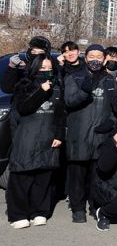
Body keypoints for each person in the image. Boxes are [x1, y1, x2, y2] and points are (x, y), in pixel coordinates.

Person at [63, 44, 117, 223]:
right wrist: (84, 91)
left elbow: (115, 106)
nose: (95, 59)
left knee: (97, 176)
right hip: (79, 134)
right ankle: (78, 209)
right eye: (92, 56)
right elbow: (69, 102)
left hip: (101, 135)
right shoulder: (74, 77)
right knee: (77, 175)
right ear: (85, 58)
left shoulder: (110, 80)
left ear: (104, 60)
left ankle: (95, 207)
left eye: (99, 57)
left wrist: (111, 121)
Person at [6, 55, 64, 229]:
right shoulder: (24, 86)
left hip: (48, 138)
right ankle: (18, 214)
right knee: (22, 177)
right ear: (34, 68)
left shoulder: (57, 87)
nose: (46, 71)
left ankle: (39, 212)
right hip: (27, 138)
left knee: (43, 178)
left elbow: (61, 114)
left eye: (49, 68)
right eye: (42, 68)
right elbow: (23, 108)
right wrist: (41, 91)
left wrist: (59, 135)